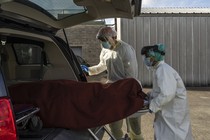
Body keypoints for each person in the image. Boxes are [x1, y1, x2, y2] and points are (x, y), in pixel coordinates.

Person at [81, 26, 144, 140]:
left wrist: (127, 93)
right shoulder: (105, 50)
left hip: (128, 89)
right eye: (101, 40)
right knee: (114, 123)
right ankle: (117, 138)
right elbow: (101, 66)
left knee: (134, 124)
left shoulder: (125, 50)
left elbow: (132, 76)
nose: (102, 43)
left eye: (104, 40)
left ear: (113, 37)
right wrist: (89, 70)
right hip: (113, 91)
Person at [141, 44, 193, 140]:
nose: (145, 60)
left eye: (146, 57)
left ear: (153, 57)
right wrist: (149, 96)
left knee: (171, 135)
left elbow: (167, 94)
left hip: (172, 114)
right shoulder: (161, 69)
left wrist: (152, 105)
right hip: (170, 112)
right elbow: (161, 91)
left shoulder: (163, 70)